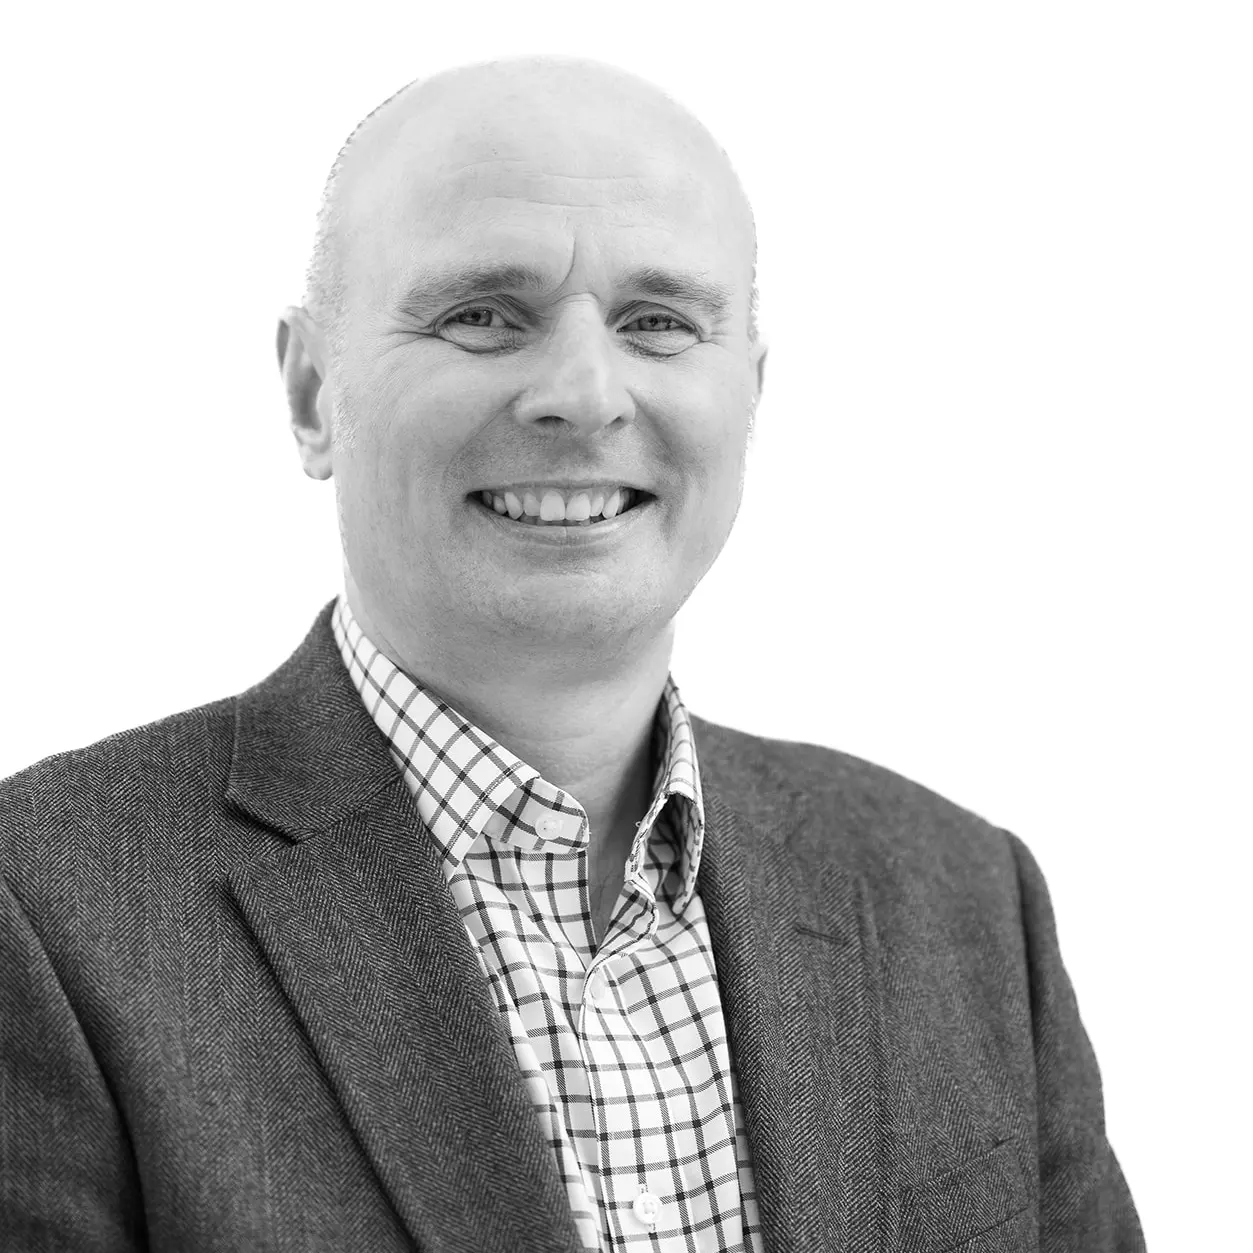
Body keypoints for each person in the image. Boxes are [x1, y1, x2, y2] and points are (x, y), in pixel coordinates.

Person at [0, 53, 1145, 1253]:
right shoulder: (44, 911)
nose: (585, 394)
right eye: (482, 316)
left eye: (659, 324)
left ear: (748, 397)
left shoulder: (961, 896)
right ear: (309, 392)